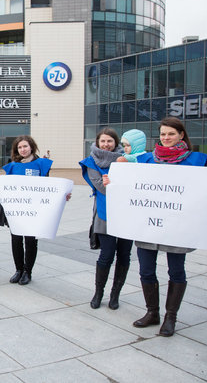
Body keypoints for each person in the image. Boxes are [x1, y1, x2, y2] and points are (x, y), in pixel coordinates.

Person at [109, 117, 207, 336]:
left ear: (181, 135)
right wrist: (113, 181)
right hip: (148, 224)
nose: (166, 138)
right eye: (163, 134)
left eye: (171, 134)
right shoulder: (146, 159)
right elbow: (127, 180)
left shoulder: (196, 160)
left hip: (178, 226)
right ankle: (152, 312)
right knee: (146, 270)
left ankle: (170, 317)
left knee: (176, 270)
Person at [80, 127, 131, 309]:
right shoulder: (91, 162)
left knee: (124, 255)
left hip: (128, 215)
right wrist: (121, 181)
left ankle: (115, 294)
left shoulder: (128, 160)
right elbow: (102, 187)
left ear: (115, 143)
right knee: (106, 255)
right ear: (97, 142)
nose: (106, 144)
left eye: (110, 141)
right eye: (103, 141)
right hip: (104, 214)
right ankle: (98, 292)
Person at [3, 135, 53, 285]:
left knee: (30, 241)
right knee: (16, 240)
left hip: (34, 209)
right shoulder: (12, 166)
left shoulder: (41, 164)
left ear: (31, 146)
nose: (22, 149)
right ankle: (18, 270)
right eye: (19, 147)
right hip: (17, 210)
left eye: (25, 146)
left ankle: (27, 271)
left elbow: (49, 186)